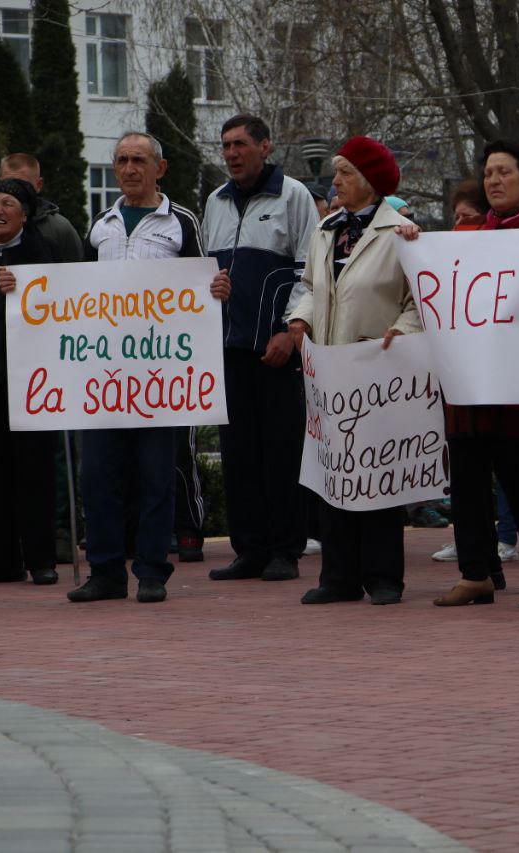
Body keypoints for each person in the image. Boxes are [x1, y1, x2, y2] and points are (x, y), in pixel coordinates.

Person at [67, 131, 203, 604]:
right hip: (104, 376)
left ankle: (150, 572)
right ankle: (105, 572)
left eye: (138, 160)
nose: (129, 169)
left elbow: (199, 290)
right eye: (122, 160)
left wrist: (216, 293)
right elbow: (74, 293)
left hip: (159, 376)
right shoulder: (100, 224)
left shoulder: (181, 222)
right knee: (98, 476)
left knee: (156, 475)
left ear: (159, 169)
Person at [285, 137, 421, 604]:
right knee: (332, 471)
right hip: (328, 369)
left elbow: (418, 301)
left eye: (344, 173)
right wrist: (300, 317)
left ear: (370, 180)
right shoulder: (326, 230)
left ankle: (383, 576)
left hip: (377, 368)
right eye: (336, 172)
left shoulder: (401, 233)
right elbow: (309, 284)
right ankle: (338, 577)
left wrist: (401, 332)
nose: (335, 181)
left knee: (378, 471)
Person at [433, 139, 519, 608]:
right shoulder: (468, 235)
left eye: (505, 172)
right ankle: (476, 572)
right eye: (488, 173)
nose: (494, 180)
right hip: (469, 385)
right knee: (468, 482)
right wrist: (414, 244)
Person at [0, 152, 85, 567]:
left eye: (7, 205)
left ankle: (40, 561)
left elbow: (66, 306)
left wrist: (24, 288)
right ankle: (1, 561)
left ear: (25, 215)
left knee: (35, 472)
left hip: (32, 382)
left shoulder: (41, 254)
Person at [203, 115, 319, 583]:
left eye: (240, 145)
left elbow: (309, 270)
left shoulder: (293, 195)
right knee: (239, 454)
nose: (231, 154)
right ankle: (247, 548)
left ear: (265, 146)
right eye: (226, 146)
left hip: (274, 347)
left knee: (281, 452)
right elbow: (206, 269)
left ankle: (284, 551)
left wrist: (290, 330)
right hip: (227, 346)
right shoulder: (215, 200)